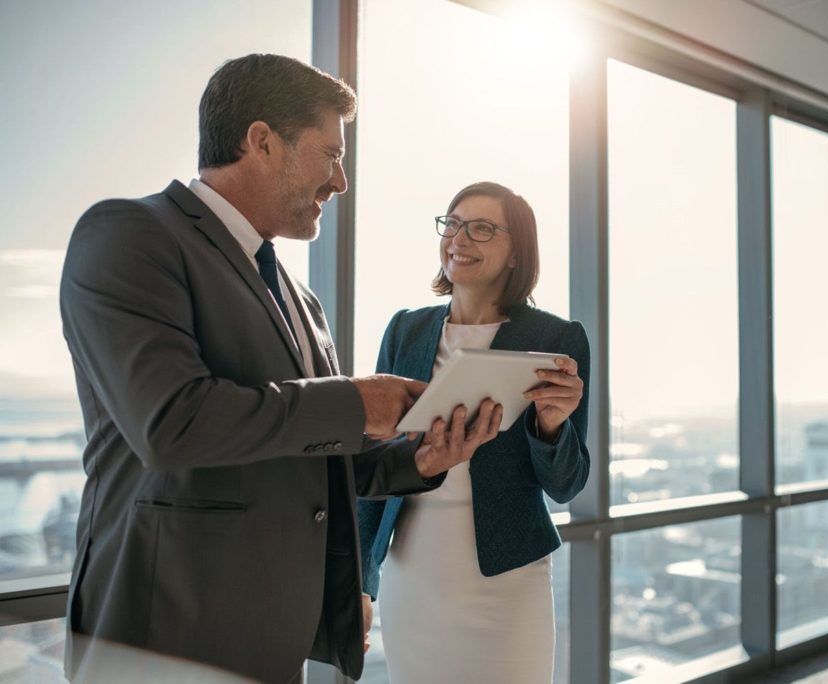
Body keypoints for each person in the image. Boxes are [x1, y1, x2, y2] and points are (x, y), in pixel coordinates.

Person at [58, 54, 500, 684]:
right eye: (330, 154)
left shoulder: (301, 298)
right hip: (159, 642)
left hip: (274, 647)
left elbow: (313, 456)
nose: (340, 181)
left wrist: (420, 459)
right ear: (261, 141)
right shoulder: (129, 234)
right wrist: (356, 400)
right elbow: (171, 423)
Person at [357, 182, 590, 683]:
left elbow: (567, 486)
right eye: (453, 223)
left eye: (482, 228)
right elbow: (372, 465)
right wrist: (359, 581)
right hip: (411, 573)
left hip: (507, 579)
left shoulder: (555, 339)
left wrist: (551, 427)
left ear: (515, 253)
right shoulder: (406, 330)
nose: (460, 238)